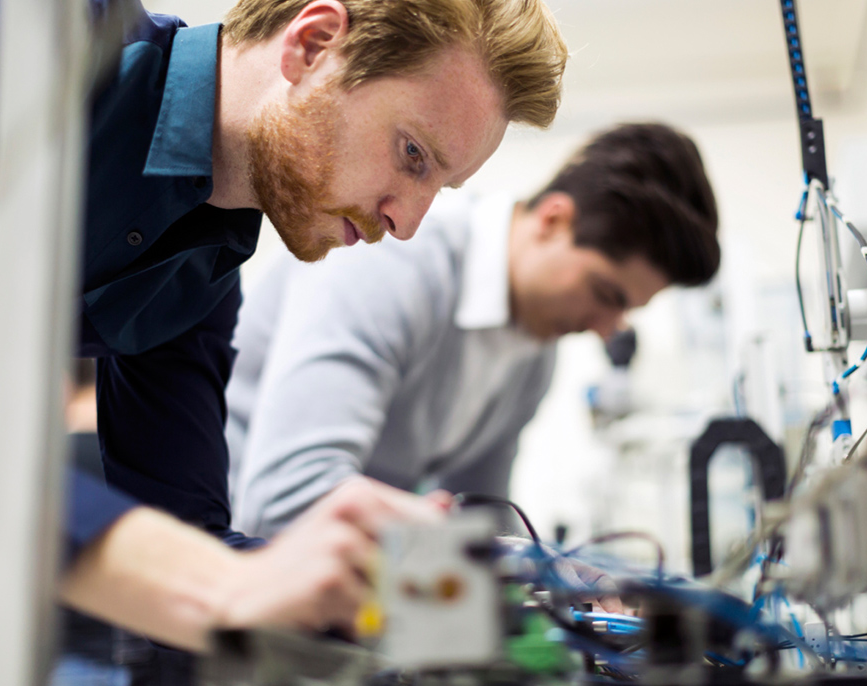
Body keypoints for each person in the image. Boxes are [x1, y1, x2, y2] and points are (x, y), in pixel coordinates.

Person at [0, 0, 567, 653]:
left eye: (437, 190)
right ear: (312, 44)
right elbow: (205, 578)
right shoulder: (19, 32)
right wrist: (209, 582)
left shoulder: (201, 277)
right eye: (411, 154)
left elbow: (189, 537)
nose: (406, 222)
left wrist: (436, 586)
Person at [227, 123, 721, 536]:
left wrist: (552, 575)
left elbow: (484, 515)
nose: (607, 329)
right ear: (553, 219)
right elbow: (285, 500)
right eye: (607, 295)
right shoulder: (394, 259)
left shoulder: (533, 353)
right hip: (213, 574)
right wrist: (507, 562)